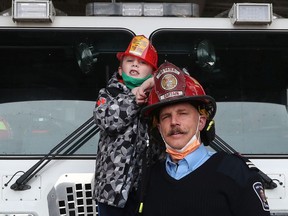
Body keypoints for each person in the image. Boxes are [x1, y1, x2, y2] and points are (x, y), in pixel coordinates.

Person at [139, 61, 270, 216]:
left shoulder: (236, 172)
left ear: (201, 122)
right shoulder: (149, 177)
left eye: (183, 113)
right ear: (159, 128)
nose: (174, 122)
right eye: (166, 116)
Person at [93, 35, 158, 216]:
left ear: (153, 73)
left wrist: (152, 88)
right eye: (130, 61)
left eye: (142, 63)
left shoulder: (157, 97)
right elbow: (107, 121)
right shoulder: (109, 93)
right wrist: (134, 99)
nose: (135, 65)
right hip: (112, 191)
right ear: (120, 70)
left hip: (147, 190)